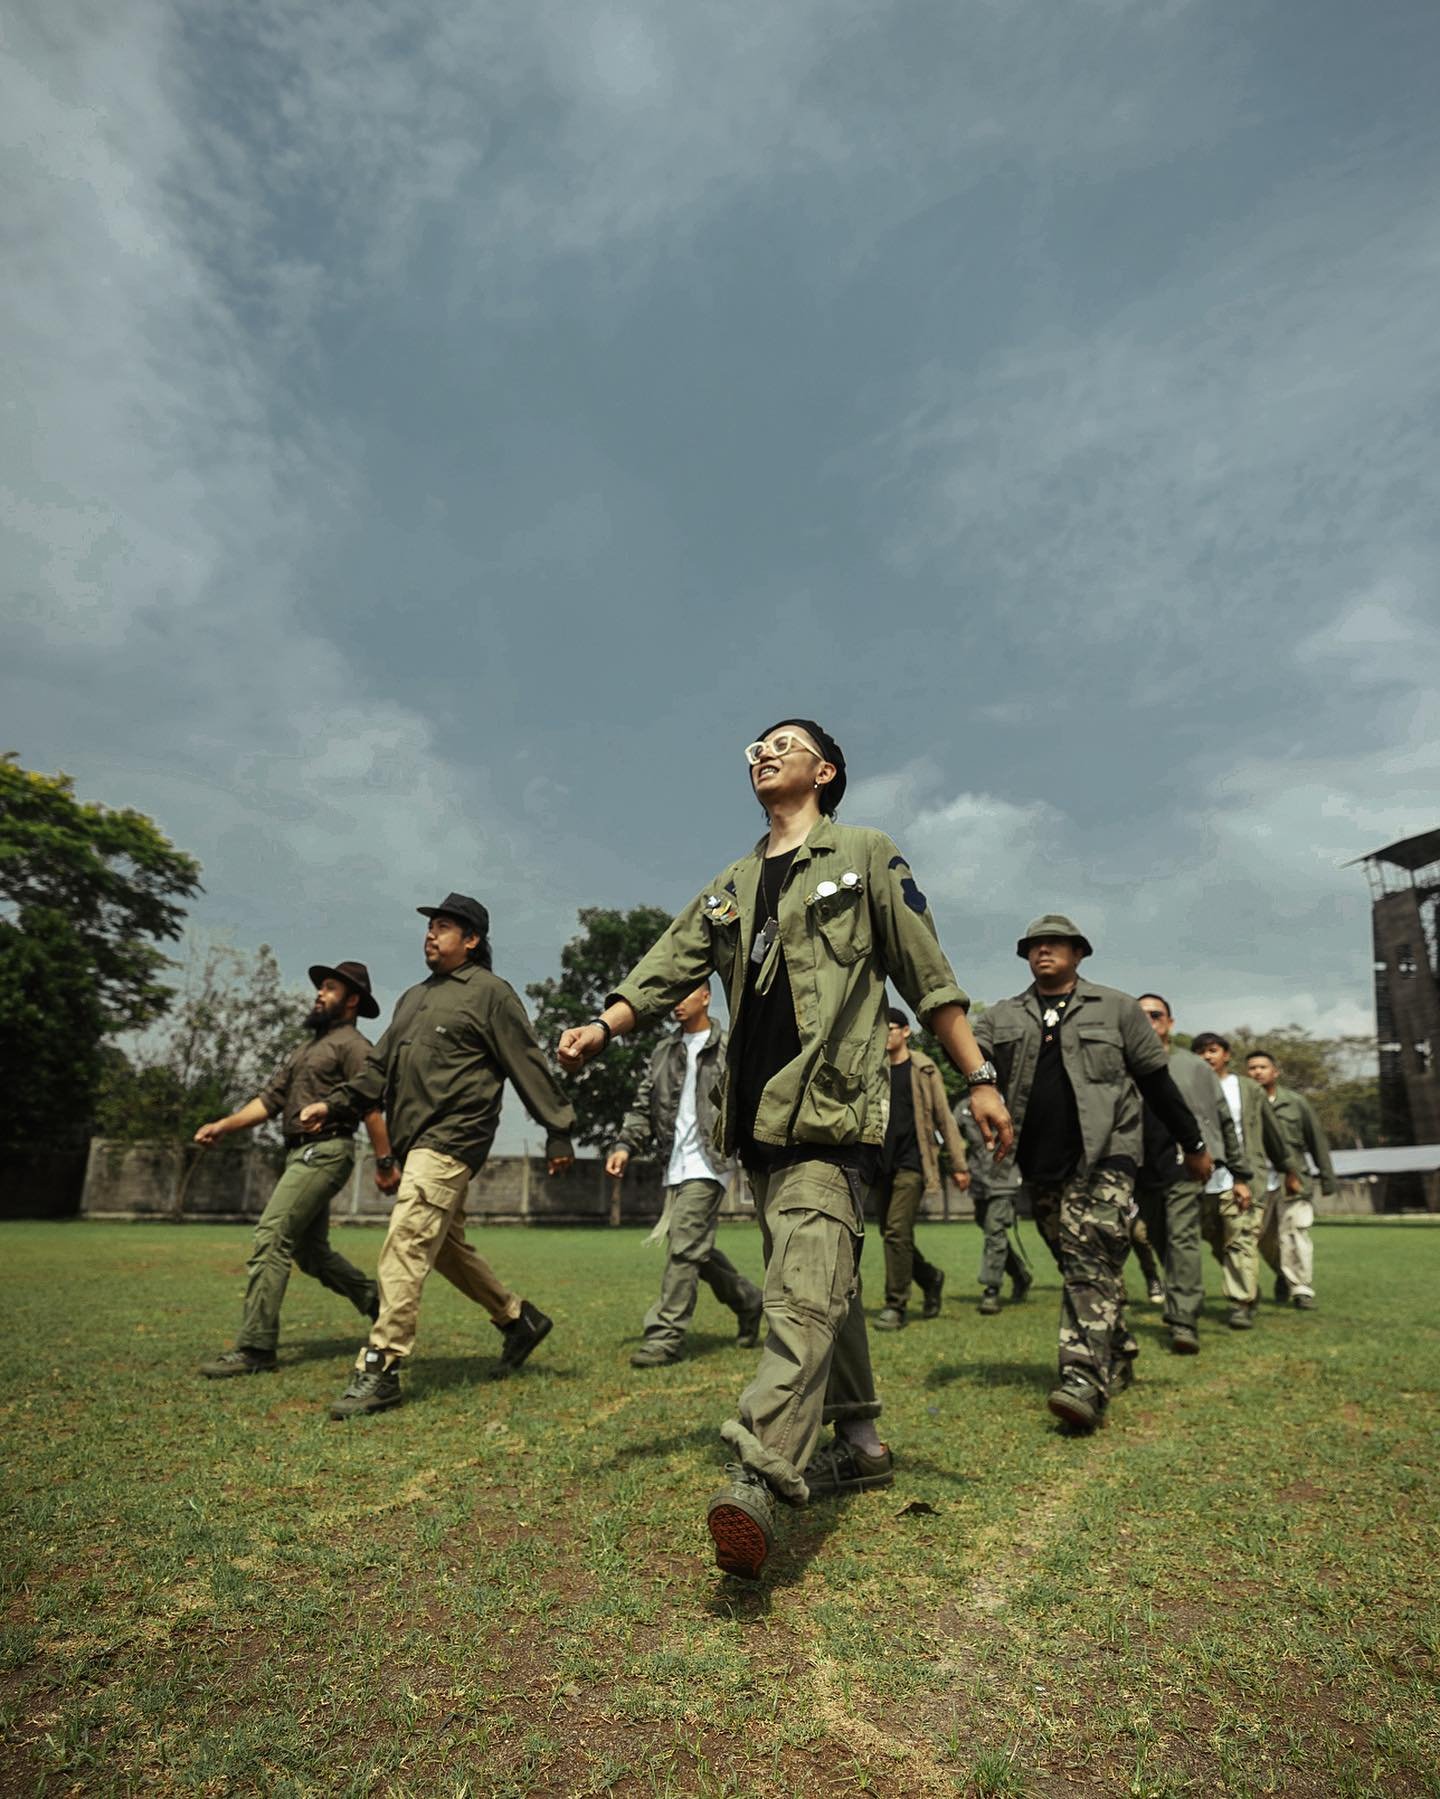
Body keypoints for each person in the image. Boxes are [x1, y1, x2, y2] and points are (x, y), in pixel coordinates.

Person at [558, 719, 1011, 1579]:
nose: (762, 754)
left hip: (832, 1116)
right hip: (758, 1126)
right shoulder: (734, 881)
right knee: (819, 1287)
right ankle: (864, 1441)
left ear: (824, 769)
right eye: (752, 749)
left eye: (783, 743)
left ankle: (760, 1472)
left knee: (798, 1299)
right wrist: (605, 1022)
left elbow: (929, 973)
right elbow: (672, 956)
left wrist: (977, 1075)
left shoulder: (867, 855)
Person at [298, 893, 576, 1417]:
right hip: (414, 1138)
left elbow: (527, 1062)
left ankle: (382, 1364)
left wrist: (557, 1130)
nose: (431, 934)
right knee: (445, 1248)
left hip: (453, 1136)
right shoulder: (413, 998)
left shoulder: (491, 994)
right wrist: (333, 1105)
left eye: (444, 926)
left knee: (406, 1237)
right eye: (430, 927)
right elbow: (377, 1070)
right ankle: (518, 1319)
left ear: (471, 940)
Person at [973, 916, 1209, 1434]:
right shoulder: (1001, 1016)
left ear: (1079, 953)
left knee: (1088, 1256)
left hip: (1106, 1154)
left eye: (1055, 944)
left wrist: (1193, 1144)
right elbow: (969, 1055)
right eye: (1035, 946)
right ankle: (1118, 1347)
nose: (1044, 952)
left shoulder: (1119, 1008)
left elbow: (1157, 1083)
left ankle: (1083, 1378)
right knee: (1082, 1263)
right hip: (1038, 1163)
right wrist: (978, 1081)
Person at [195, 961, 394, 1377]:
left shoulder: (354, 1046)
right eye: (320, 987)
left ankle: (256, 1348)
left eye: (329, 988)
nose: (319, 994)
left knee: (271, 1235)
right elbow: (269, 1102)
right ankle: (380, 1304)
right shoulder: (304, 1050)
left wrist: (385, 1162)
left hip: (325, 1151)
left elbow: (371, 1105)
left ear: (352, 999)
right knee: (310, 1252)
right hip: (298, 1153)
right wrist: (223, 1126)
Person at [606, 980, 763, 1367]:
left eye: (685, 995)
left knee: (684, 1243)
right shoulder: (664, 1051)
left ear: (706, 997)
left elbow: (750, 1100)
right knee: (694, 1248)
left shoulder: (730, 1048)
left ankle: (664, 1336)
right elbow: (644, 1104)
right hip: (673, 1163)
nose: (676, 1004)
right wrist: (626, 1144)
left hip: (711, 1162)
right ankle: (749, 1301)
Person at [1135, 995, 1252, 1351]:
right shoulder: (1121, 1064)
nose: (1149, 1022)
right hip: (1140, 1166)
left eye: (1155, 1015)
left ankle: (1183, 1319)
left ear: (1170, 1022)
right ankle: (1182, 1297)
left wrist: (1240, 1172)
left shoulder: (1194, 1067)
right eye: (1140, 1017)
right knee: (1158, 1237)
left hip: (1187, 1164)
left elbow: (1224, 1121)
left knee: (1183, 1237)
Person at [870, 1006, 970, 1329]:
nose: (885, 1034)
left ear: (906, 1032)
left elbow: (944, 1116)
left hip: (913, 1162)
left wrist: (958, 1164)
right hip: (880, 1163)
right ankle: (930, 1278)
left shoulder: (923, 1068)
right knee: (890, 1233)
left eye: (891, 1028)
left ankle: (896, 1305)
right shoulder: (873, 1070)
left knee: (897, 1232)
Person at [1191, 1032, 1298, 1328]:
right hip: (1203, 1180)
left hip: (1244, 1177)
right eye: (1200, 1052)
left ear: (1226, 1054)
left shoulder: (1248, 1089)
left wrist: (1288, 1169)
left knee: (1240, 1239)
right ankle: (1249, 1286)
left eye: (1213, 1050)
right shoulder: (1189, 1089)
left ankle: (1241, 1302)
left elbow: (1272, 1133)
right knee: (1216, 1242)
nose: (1207, 1057)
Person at [1245, 1049, 1336, 1311]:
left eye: (1262, 1067)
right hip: (1258, 1181)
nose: (1257, 1072)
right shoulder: (1244, 1103)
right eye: (1251, 1068)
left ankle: (1301, 1289)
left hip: (1293, 1180)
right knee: (1263, 1239)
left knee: (1295, 1234)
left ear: (1275, 1072)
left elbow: (1316, 1141)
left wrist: (1327, 1178)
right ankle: (1284, 1275)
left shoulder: (1296, 1103)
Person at [953, 1090, 1032, 1314]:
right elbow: (950, 1133)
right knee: (988, 1227)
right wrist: (957, 1165)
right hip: (979, 1179)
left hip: (1004, 1175)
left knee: (994, 1231)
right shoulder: (965, 1107)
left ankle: (991, 1290)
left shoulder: (1013, 1101)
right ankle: (1020, 1275)